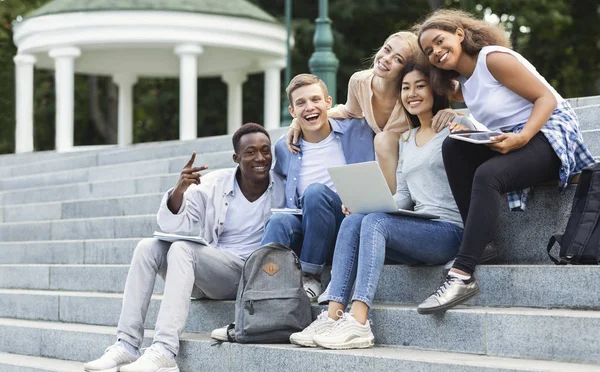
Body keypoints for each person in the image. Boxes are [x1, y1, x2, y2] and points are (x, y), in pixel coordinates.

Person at [416, 9, 596, 314]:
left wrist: (523, 138)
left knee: (487, 175)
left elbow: (546, 99)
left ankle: (461, 275)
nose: (435, 52)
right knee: (453, 147)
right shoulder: (462, 81)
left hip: (549, 131)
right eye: (428, 51)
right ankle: (483, 244)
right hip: (514, 138)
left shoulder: (493, 59)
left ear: (459, 33)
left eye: (439, 41)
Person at [289, 63, 473, 349]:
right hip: (421, 231)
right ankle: (333, 314)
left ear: (435, 90)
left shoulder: (453, 127)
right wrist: (364, 203)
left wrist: (463, 118)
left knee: (374, 221)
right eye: (406, 88)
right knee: (355, 219)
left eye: (420, 86)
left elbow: (483, 137)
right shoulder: (407, 140)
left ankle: (360, 321)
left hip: (450, 232)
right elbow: (402, 198)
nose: (411, 93)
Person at [83, 123, 285, 372]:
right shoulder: (215, 184)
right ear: (236, 158)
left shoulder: (282, 186)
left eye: (266, 150)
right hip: (214, 272)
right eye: (251, 152)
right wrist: (179, 191)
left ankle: (165, 350)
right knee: (147, 247)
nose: (260, 158)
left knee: (182, 249)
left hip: (248, 275)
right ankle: (127, 344)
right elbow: (172, 222)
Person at [285, 31, 457, 193]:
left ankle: (391, 209)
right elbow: (349, 111)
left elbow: (438, 109)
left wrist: (451, 113)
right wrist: (299, 121)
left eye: (398, 59)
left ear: (406, 68)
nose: (386, 59)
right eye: (387, 49)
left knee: (383, 139)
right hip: (383, 164)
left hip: (415, 161)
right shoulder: (359, 82)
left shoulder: (410, 93)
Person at [261, 73, 375, 302]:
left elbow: (376, 80)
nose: (309, 107)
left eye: (315, 100)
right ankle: (259, 286)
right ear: (292, 111)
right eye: (301, 103)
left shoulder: (359, 130)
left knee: (315, 192)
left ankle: (310, 275)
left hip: (347, 223)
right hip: (308, 226)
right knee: (278, 221)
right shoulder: (285, 147)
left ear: (328, 102)